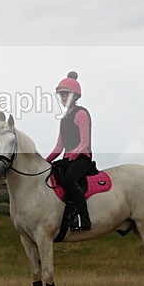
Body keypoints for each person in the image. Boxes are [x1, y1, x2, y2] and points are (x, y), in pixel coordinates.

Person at [45, 71, 94, 231]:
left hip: (82, 158)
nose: (62, 98)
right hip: (68, 158)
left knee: (68, 179)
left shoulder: (81, 114)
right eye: (61, 95)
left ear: (75, 95)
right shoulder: (64, 118)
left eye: (65, 95)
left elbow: (85, 143)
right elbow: (59, 146)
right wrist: (45, 162)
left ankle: (84, 220)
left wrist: (72, 155)